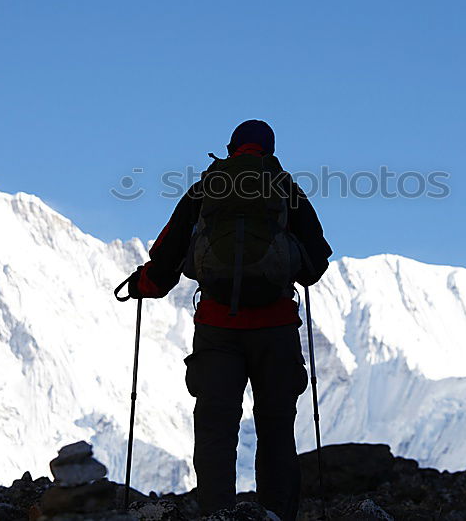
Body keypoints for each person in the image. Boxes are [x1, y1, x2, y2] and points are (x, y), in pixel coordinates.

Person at [125, 120, 331, 520]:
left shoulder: (207, 187)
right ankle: (276, 515)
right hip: (275, 329)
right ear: (269, 151)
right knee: (276, 431)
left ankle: (216, 514)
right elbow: (316, 261)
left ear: (230, 148)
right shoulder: (285, 187)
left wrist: (142, 286)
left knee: (216, 431)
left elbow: (166, 255)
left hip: (218, 329)